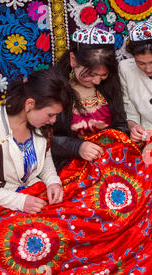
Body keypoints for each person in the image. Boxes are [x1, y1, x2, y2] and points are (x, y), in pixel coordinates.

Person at [0, 67, 74, 222]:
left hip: (33, 192)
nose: (53, 120)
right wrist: (20, 202)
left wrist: (53, 181)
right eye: (51, 114)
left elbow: (45, 156)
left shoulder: (40, 125)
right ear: (30, 104)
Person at [52, 27, 129, 171]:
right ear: (73, 60)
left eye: (103, 75)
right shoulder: (54, 88)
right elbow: (41, 137)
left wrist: (109, 142)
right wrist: (78, 147)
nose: (98, 81)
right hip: (69, 165)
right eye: (91, 74)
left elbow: (121, 126)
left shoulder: (110, 85)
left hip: (109, 160)